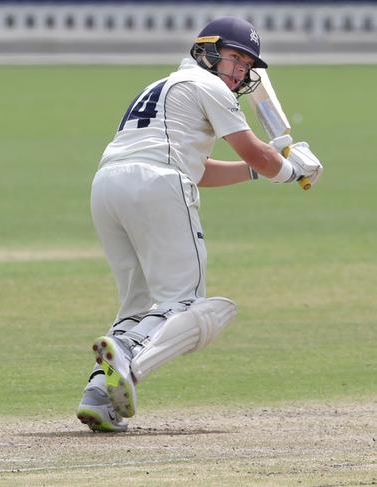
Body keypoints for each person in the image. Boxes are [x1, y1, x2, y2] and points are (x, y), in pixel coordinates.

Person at [76, 16, 323, 432]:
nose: (239, 72)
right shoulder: (209, 87)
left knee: (137, 304)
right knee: (187, 304)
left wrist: (261, 170)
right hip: (158, 184)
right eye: (233, 59)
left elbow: (201, 169)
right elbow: (257, 153)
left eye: (246, 66)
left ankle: (100, 395)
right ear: (206, 51)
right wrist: (290, 170)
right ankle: (127, 354)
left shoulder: (163, 86)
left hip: (107, 187)